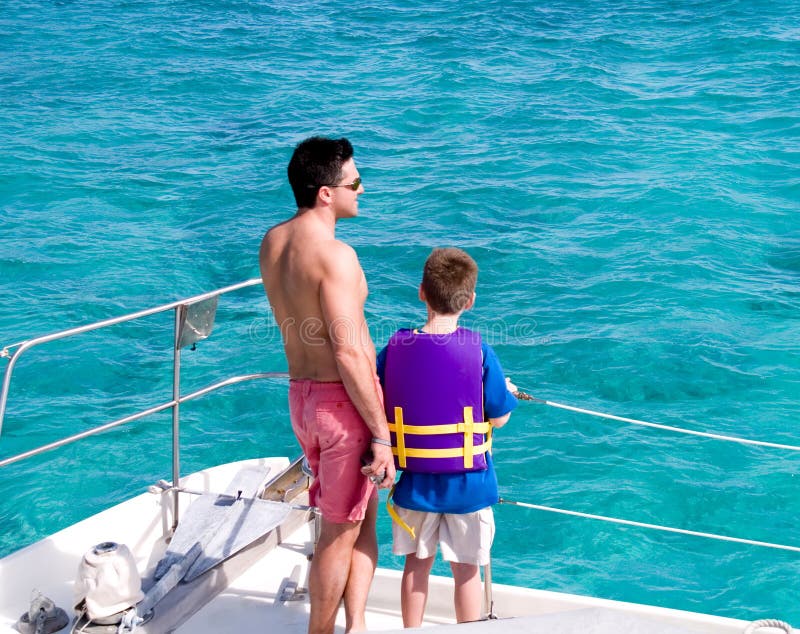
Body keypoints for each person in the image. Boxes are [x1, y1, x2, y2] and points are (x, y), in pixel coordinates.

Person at [259, 136, 396, 634]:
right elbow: (349, 349)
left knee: (360, 517)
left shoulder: (273, 242)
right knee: (338, 533)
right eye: (354, 182)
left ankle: (355, 624)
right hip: (344, 407)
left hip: (303, 398)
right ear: (325, 193)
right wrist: (380, 434)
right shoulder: (336, 255)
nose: (362, 189)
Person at [375, 247, 517, 627]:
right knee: (467, 572)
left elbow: (380, 397)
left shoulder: (393, 349)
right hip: (469, 486)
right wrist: (505, 389)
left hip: (416, 485)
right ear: (470, 301)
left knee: (416, 567)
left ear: (422, 291)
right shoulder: (480, 352)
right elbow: (499, 418)